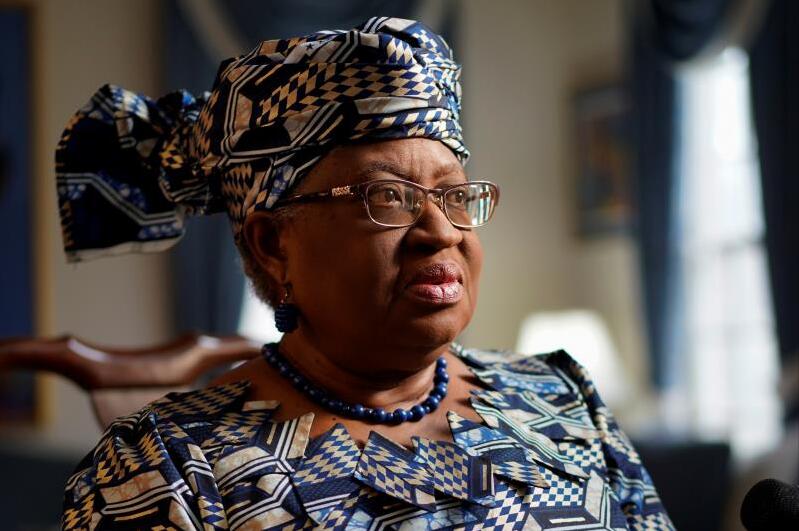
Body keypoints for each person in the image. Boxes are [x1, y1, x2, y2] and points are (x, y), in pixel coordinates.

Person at [57, 17, 674, 531]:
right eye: (388, 198)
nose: (441, 231)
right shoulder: (165, 467)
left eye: (455, 195)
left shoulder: (558, 395)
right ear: (273, 244)